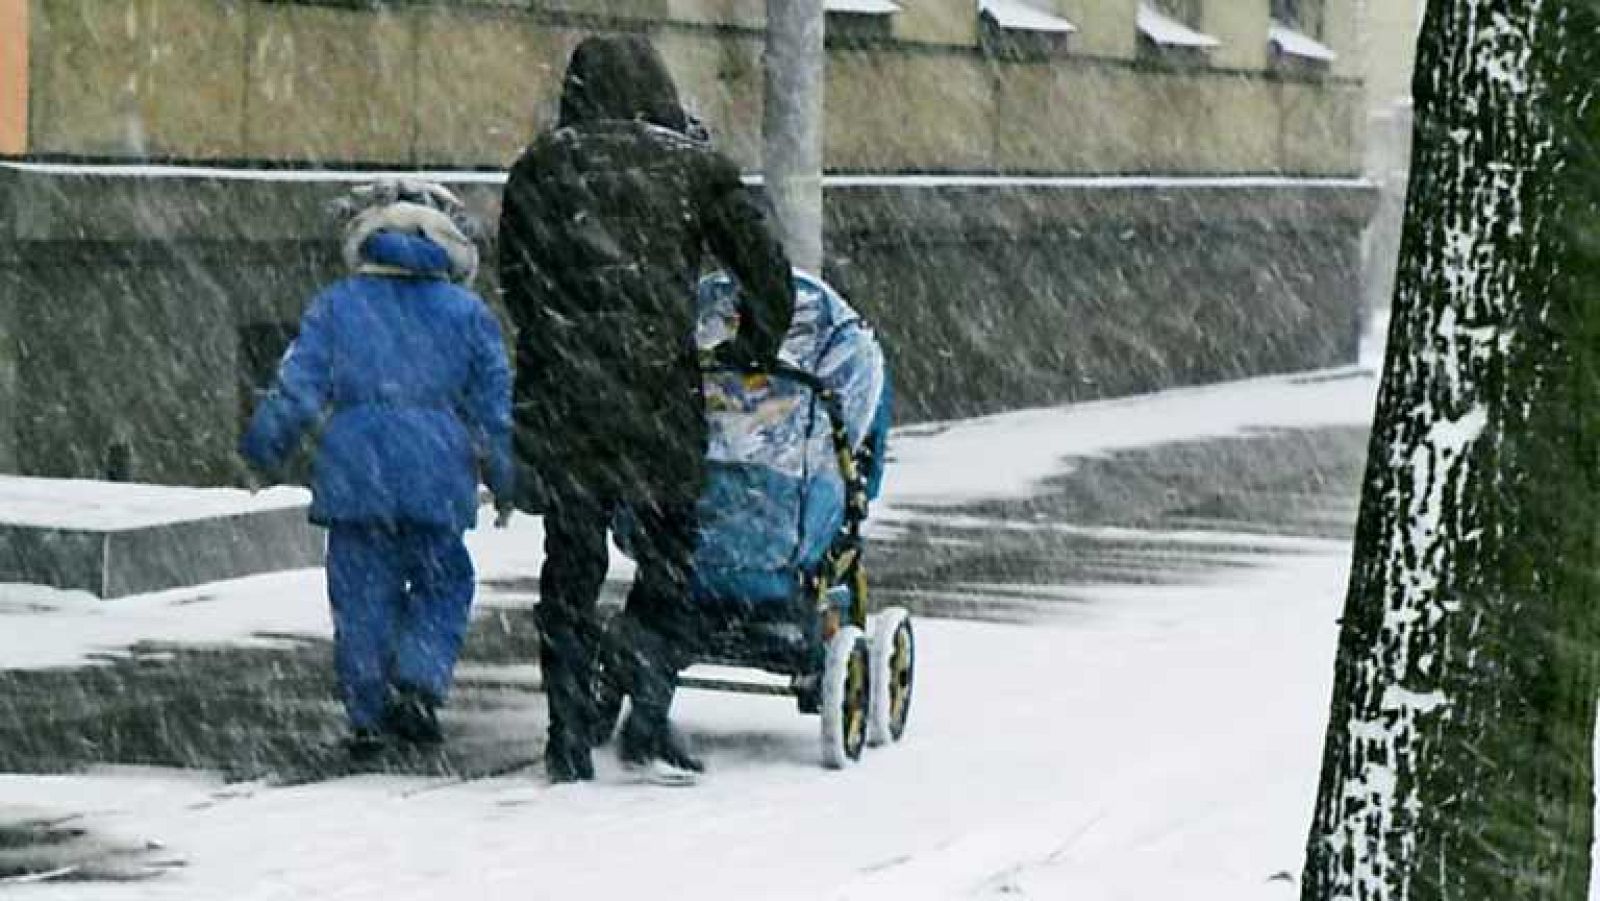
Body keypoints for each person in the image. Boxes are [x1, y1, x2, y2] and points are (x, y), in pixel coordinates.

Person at [499, 35, 795, 783]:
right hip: (655, 401)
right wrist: (753, 346)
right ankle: (647, 704)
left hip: (564, 402)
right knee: (669, 561)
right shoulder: (695, 170)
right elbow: (768, 273)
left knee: (569, 567)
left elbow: (519, 288)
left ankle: (568, 736)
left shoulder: (539, 169)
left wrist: (556, 351)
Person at [241, 180, 514, 762]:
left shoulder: (337, 305)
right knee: (444, 583)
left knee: (361, 594)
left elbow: (298, 386)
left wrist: (265, 450)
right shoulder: (468, 314)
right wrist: (510, 477)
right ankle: (418, 682)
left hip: (356, 469)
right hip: (438, 469)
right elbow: (495, 408)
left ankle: (367, 712)